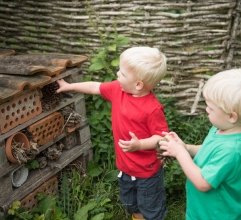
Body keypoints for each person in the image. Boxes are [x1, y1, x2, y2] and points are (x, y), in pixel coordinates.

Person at [56, 47, 169, 220]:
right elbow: (95, 87)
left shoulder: (152, 109)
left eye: (122, 73)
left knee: (150, 207)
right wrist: (69, 86)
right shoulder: (118, 89)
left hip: (147, 171)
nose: (117, 74)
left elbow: (161, 137)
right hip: (125, 167)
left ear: (138, 84)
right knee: (131, 204)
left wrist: (140, 145)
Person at [159, 68, 241, 220]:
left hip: (217, 214)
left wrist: (180, 153)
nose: (206, 109)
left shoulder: (232, 150)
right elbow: (207, 151)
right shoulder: (221, 129)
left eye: (211, 108)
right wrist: (186, 148)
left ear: (231, 116)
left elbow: (203, 183)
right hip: (201, 210)